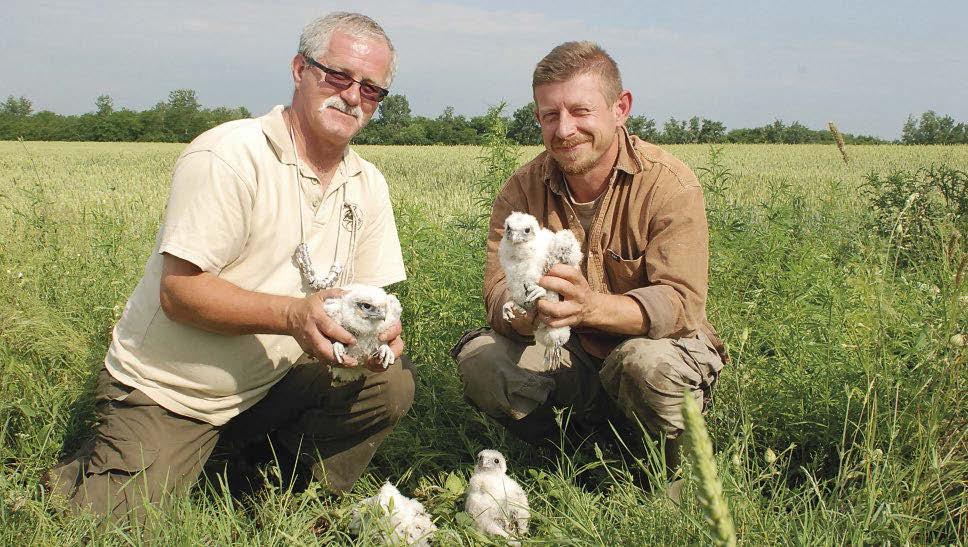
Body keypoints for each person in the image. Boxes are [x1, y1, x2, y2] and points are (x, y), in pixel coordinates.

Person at [45, 12, 414, 520]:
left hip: (273, 382)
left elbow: (370, 297)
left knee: (388, 385)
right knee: (115, 527)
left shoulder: (367, 183)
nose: (352, 96)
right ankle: (99, 464)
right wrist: (291, 315)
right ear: (299, 69)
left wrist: (384, 341)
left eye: (371, 89)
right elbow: (179, 294)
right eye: (338, 76)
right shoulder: (230, 155)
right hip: (177, 391)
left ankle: (273, 498)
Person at [454, 41, 727, 489]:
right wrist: (524, 312)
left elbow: (680, 305)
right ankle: (581, 457)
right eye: (549, 115)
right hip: (567, 354)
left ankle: (673, 473)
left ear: (621, 108)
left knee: (645, 366)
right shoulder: (521, 191)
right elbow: (496, 292)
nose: (564, 130)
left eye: (581, 111)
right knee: (482, 361)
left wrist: (588, 308)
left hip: (653, 347)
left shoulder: (669, 184)